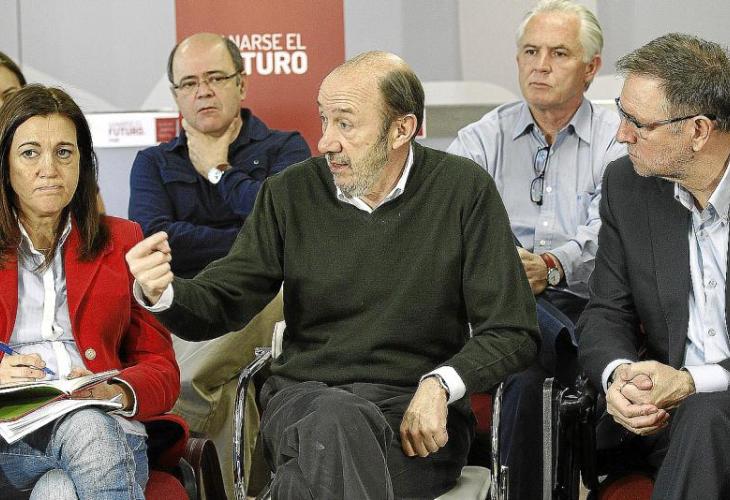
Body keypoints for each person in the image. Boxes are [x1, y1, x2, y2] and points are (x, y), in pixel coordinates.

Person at [127, 50, 540, 499]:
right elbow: (226, 296)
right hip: (306, 400)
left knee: (306, 479)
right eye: (324, 120)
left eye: (345, 123)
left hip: (413, 418)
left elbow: (512, 330)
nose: (325, 142)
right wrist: (165, 292)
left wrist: (441, 384)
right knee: (334, 419)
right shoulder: (290, 192)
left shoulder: (463, 190)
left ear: (401, 129)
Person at [447, 1, 625, 496]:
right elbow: (450, 225)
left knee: (525, 375)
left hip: (581, 302)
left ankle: (555, 339)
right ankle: (565, 348)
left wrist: (550, 266)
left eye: (558, 53)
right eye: (530, 51)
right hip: (493, 306)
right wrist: (507, 268)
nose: (540, 65)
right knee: (488, 253)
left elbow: (612, 233)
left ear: (591, 68)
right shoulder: (480, 139)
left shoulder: (616, 140)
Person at [128, 32, 309, 492]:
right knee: (227, 394)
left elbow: (292, 230)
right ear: (176, 95)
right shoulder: (153, 162)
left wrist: (219, 172)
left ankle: (165, 438)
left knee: (187, 379)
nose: (203, 92)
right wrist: (253, 237)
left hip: (260, 297)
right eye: (189, 83)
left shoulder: (285, 148)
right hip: (177, 302)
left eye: (215, 78)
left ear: (241, 83)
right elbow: (153, 238)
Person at [0, 85, 180, 499]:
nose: (49, 168)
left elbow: (162, 368)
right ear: (5, 164)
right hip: (11, 436)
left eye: (64, 152)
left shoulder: (122, 240)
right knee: (88, 429)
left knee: (60, 491)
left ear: (82, 161)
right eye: (30, 153)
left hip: (108, 427)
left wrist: (113, 390)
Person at [578, 33, 730, 499]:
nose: (621, 134)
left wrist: (690, 382)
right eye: (621, 114)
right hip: (667, 421)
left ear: (698, 131)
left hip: (703, 412)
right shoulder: (628, 185)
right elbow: (606, 311)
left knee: (705, 414)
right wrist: (621, 376)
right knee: (697, 420)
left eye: (638, 124)